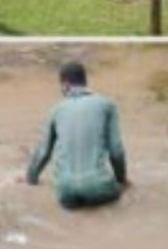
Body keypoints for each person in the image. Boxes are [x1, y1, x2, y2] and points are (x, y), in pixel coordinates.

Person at [24, 62, 129, 209]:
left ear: (65, 85)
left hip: (66, 191)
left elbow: (43, 152)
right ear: (85, 82)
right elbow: (116, 151)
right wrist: (122, 180)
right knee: (123, 196)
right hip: (100, 188)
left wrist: (30, 178)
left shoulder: (56, 110)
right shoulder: (107, 105)